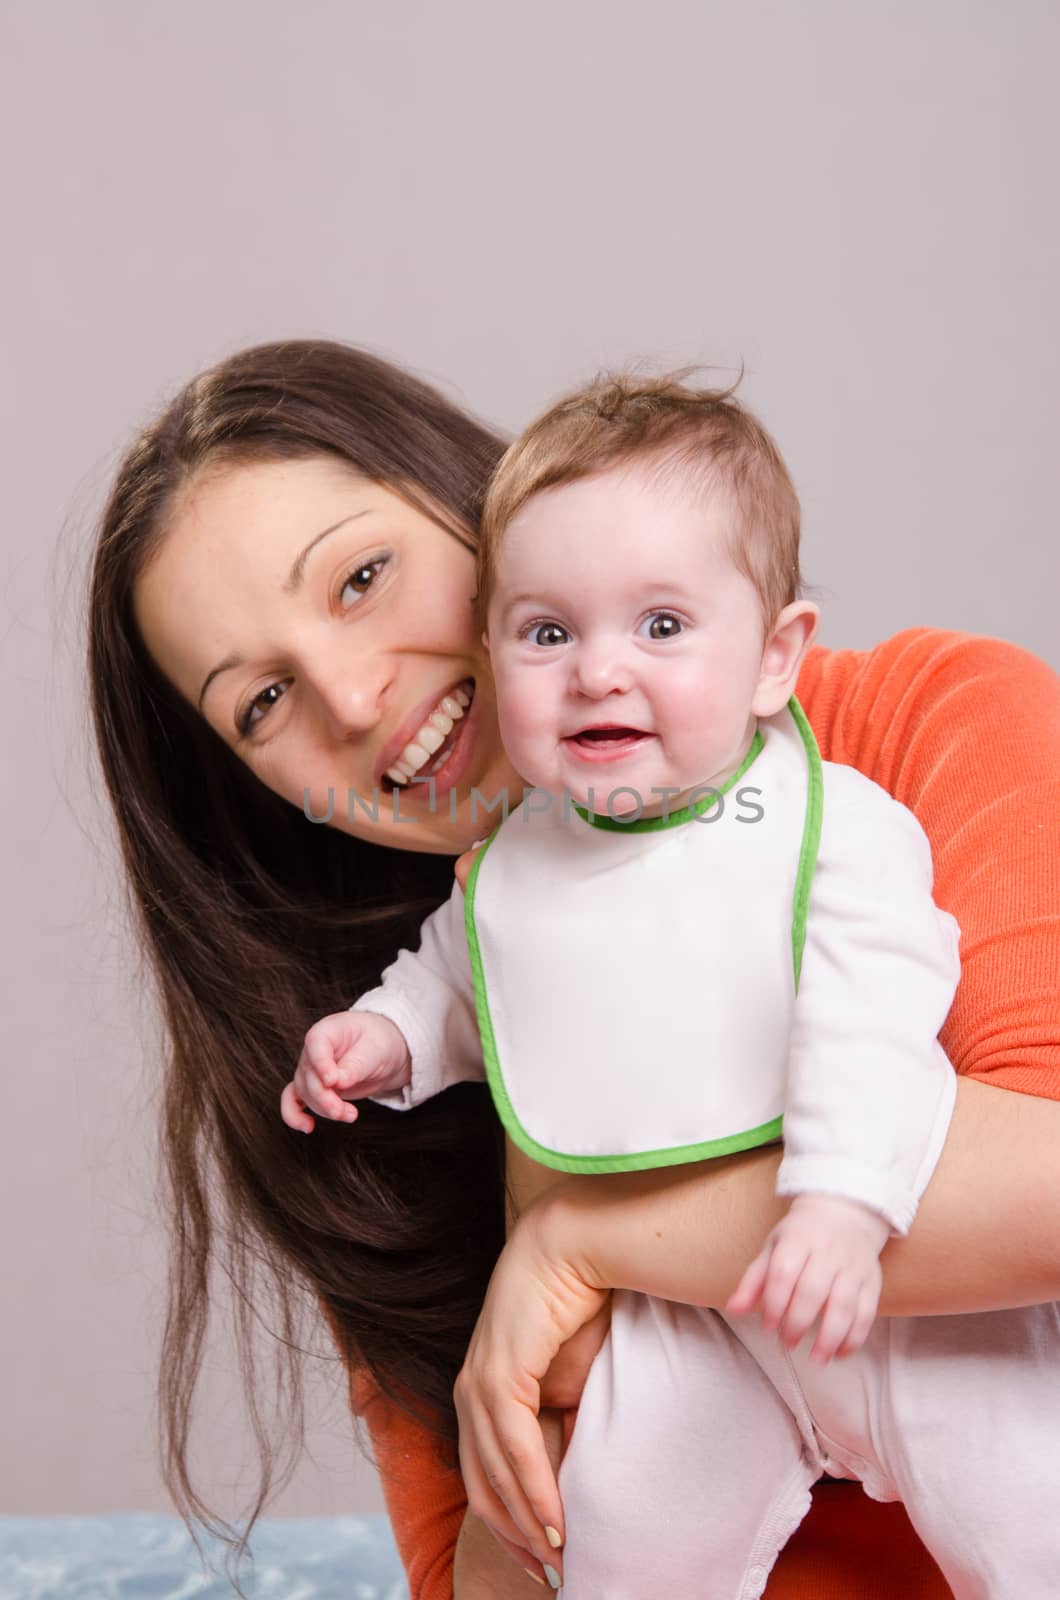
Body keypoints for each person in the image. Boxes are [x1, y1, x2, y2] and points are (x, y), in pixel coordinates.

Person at [87, 339, 1060, 1600]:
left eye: (361, 578)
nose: (351, 692)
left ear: (478, 507)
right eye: (260, 701)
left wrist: (576, 1243)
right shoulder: (434, 1004)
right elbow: (476, 1576)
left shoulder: (907, 734)